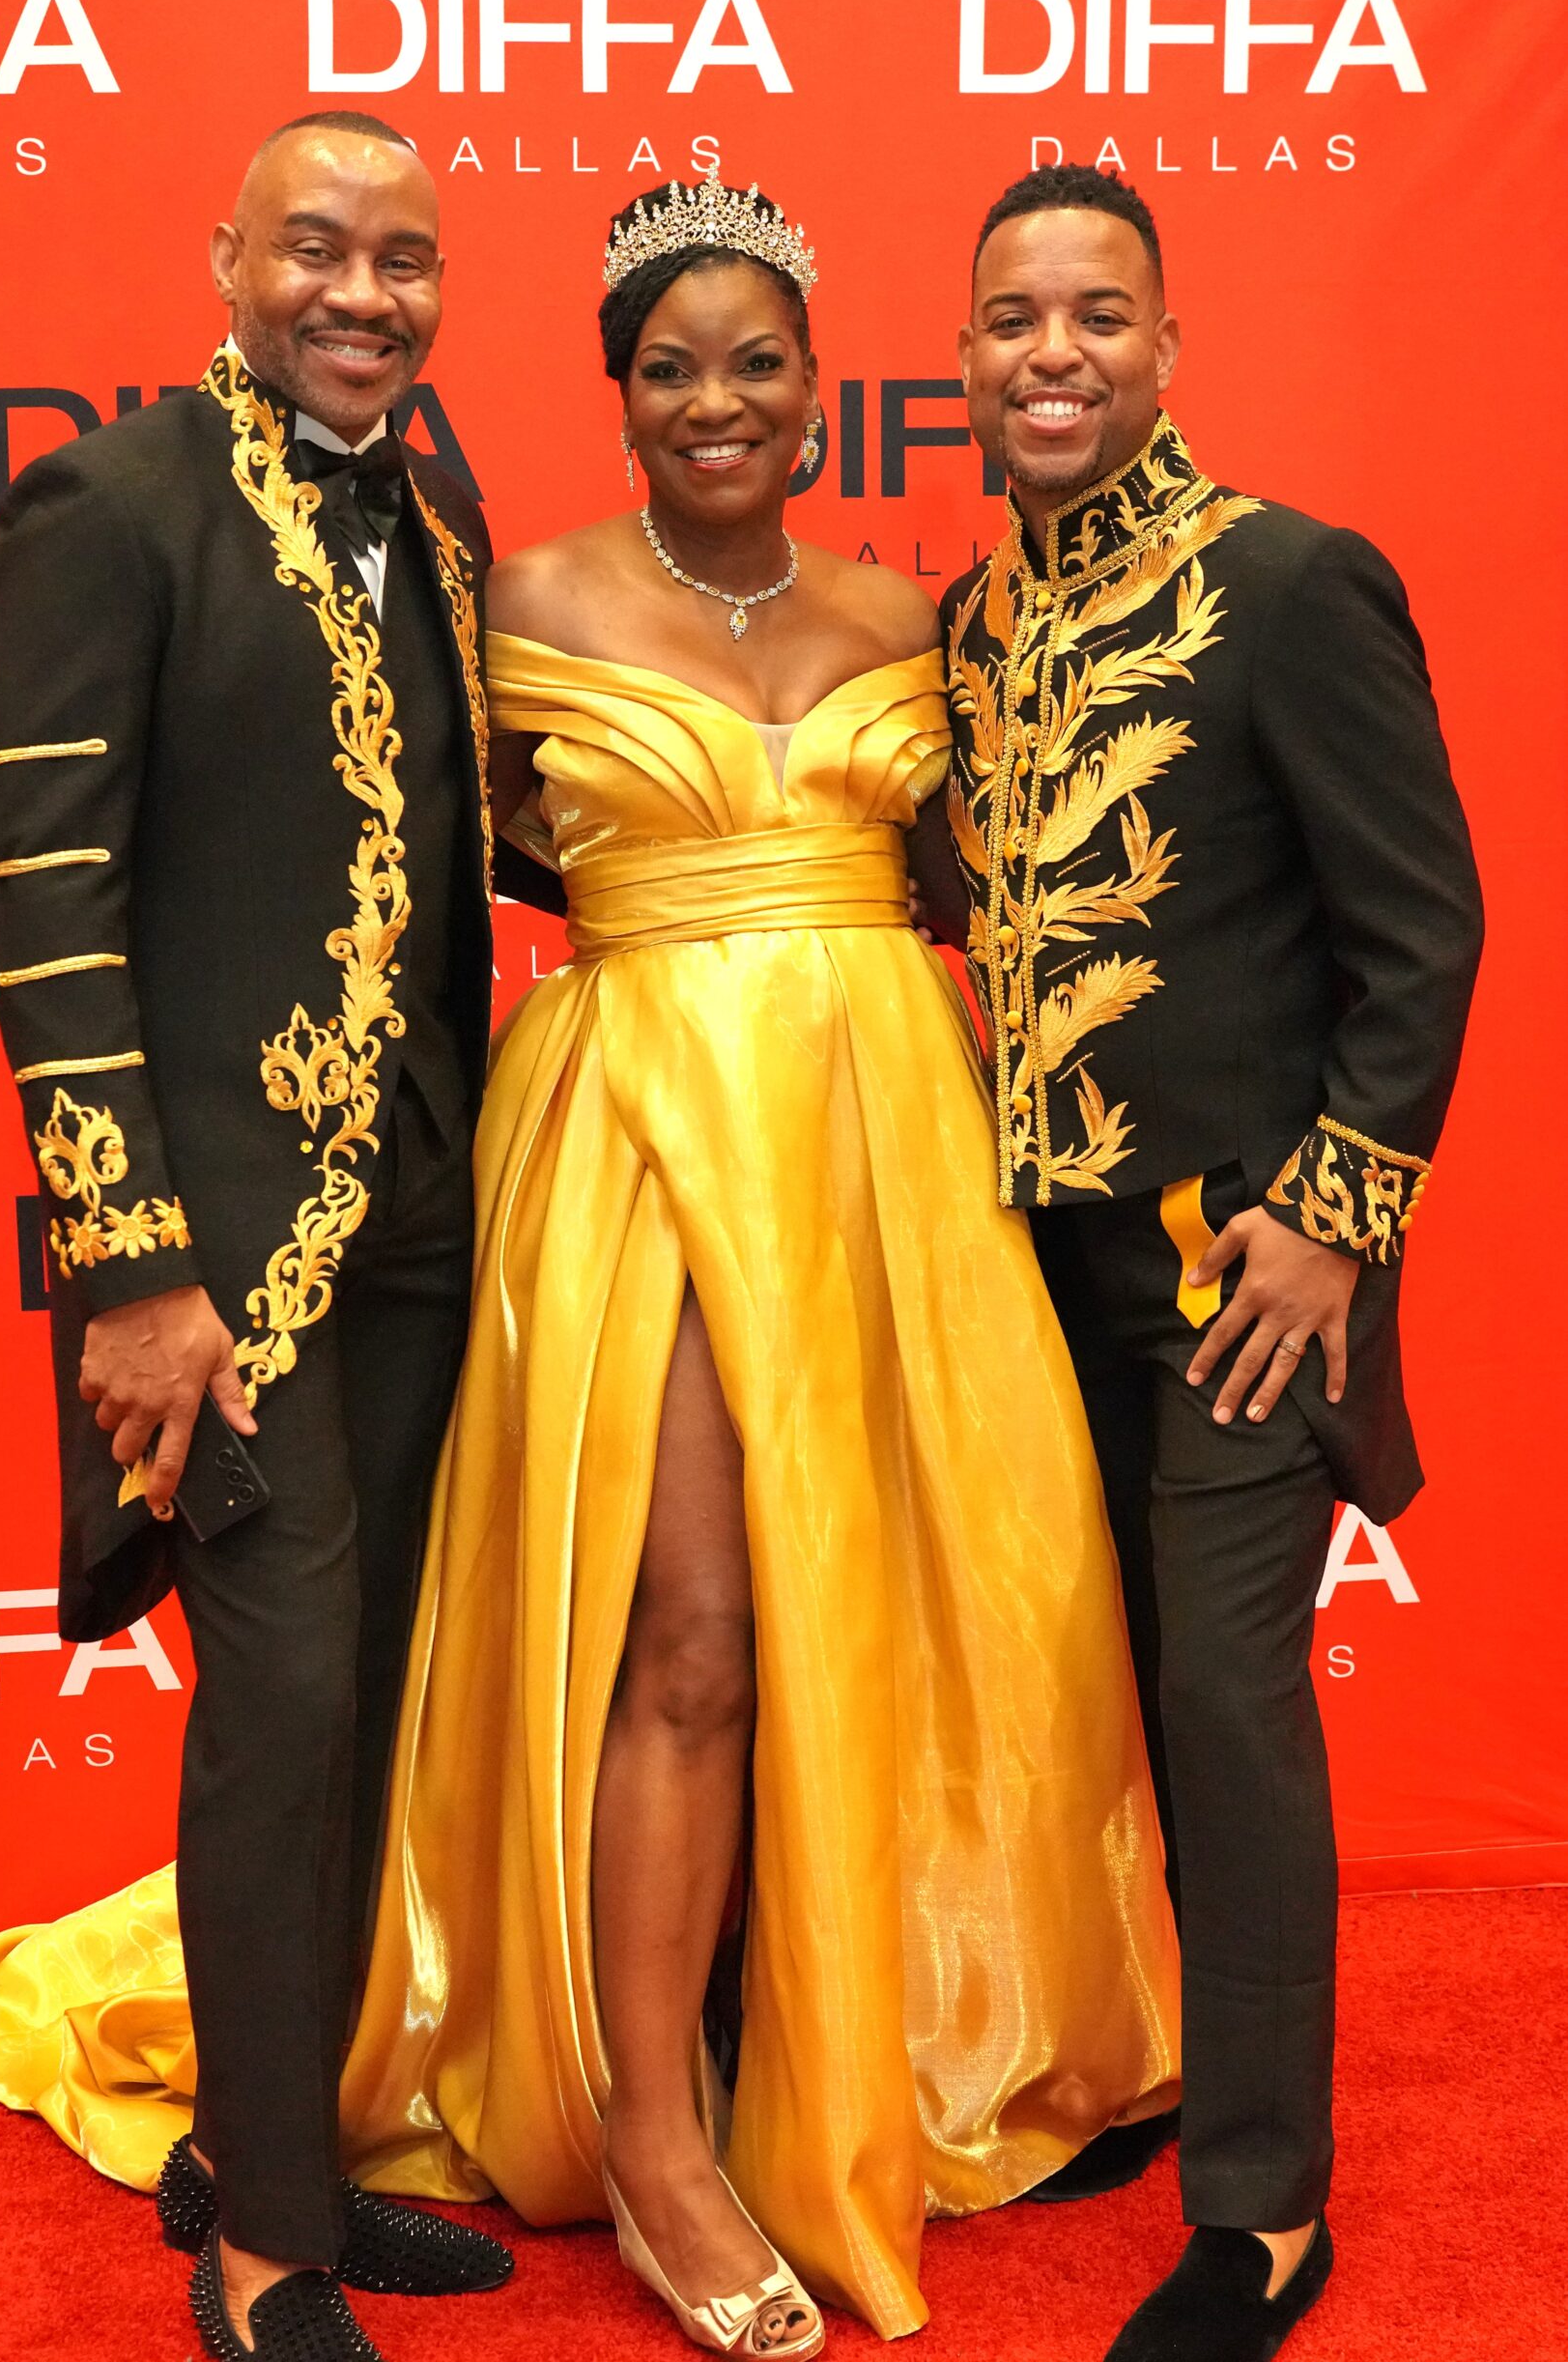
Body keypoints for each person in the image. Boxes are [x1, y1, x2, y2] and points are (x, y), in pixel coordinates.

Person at [333, 168, 1181, 2348]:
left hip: (886, 1145)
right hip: (644, 1135)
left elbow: (991, 882)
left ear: (820, 388)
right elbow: (424, 852)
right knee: (694, 1634)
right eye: (668, 369)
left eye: (755, 364)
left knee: (897, 1606)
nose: (714, 402)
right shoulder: (517, 593)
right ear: (618, 395)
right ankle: (655, 2140)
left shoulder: (909, 618)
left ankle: (844, 2037)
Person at [0, 111, 514, 2362]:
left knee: (363, 1699)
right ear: (226, 258)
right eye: (317, 248)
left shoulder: (441, 521)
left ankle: (268, 2136)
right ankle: (269, 2248)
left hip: (420, 1218)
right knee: (278, 1702)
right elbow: (44, 903)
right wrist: (132, 1266)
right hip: (224, 1261)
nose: (362, 294)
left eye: (403, 258)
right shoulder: (106, 505)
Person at [940, 163, 1483, 2362]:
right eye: (1012, 319)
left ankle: (1263, 2205)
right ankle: (1148, 2070)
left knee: (1227, 1711)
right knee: (1100, 1690)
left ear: (1167, 346)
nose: (1052, 353)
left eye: (1096, 313)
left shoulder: (1286, 579)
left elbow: (1419, 931)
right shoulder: (972, 628)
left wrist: (1331, 1221)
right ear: (962, 361)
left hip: (1238, 1272)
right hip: (1031, 1272)